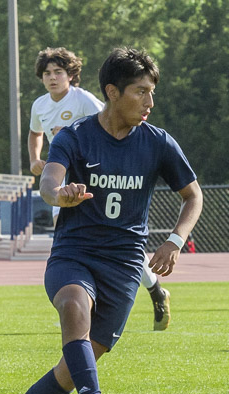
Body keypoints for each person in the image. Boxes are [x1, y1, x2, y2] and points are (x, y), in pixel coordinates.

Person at [0, 46, 203, 394]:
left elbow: (193, 197)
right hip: (75, 253)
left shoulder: (157, 143)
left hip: (123, 267)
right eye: (140, 92)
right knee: (72, 306)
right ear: (112, 92)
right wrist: (59, 195)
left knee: (72, 369)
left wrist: (173, 241)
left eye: (152, 92)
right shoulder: (76, 136)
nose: (150, 102)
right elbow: (49, 181)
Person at [29, 47, 173, 331]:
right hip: (64, 178)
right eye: (47, 73)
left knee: (116, 239)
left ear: (71, 75)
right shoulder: (40, 105)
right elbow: (35, 132)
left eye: (59, 72)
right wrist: (35, 159)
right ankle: (78, 302)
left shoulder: (84, 101)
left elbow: (112, 125)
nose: (52, 78)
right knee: (68, 235)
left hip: (99, 178)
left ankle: (151, 289)